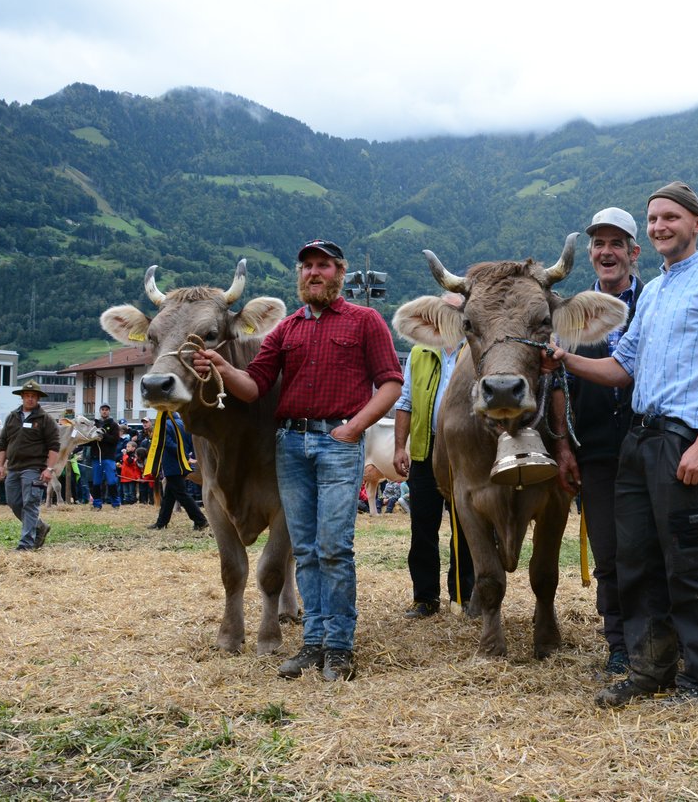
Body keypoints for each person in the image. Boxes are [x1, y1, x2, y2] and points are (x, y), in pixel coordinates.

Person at [553, 181, 698, 706]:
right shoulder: (656, 291)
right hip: (637, 443)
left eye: (671, 217)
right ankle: (650, 668)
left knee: (688, 563)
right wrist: (565, 359)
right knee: (637, 562)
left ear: (697, 224)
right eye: (654, 219)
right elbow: (623, 368)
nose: (661, 226)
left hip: (681, 440)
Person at [194, 238, 402, 682]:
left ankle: (340, 647)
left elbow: (390, 384)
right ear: (300, 275)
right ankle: (312, 644)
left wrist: (354, 427)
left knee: (334, 547)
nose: (314, 273)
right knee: (304, 550)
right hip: (290, 445)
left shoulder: (366, 321)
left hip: (338, 443)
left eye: (323, 265)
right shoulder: (286, 329)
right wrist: (222, 368)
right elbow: (253, 386)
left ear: (340, 273)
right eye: (307, 266)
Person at [564, 206, 645, 677]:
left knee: (650, 546)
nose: (607, 251)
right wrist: (562, 448)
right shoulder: (572, 314)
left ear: (634, 252)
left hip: (649, 440)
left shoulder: (655, 300)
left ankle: (652, 634)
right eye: (599, 244)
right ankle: (617, 642)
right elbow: (557, 385)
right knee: (610, 552)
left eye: (617, 243)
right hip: (594, 449)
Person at [392, 291, 475, 621]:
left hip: (466, 453)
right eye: (444, 311)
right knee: (422, 526)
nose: (450, 317)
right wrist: (401, 447)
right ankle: (425, 598)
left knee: (467, 527)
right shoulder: (419, 351)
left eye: (457, 311)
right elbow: (405, 402)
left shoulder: (478, 349)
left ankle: (463, 595)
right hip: (426, 452)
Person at [0, 381, 60, 551]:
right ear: (22, 397)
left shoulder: (45, 419)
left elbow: (54, 446)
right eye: (27, 396)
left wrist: (49, 469)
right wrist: (0, 465)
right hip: (13, 467)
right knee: (14, 502)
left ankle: (26, 543)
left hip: (34, 467)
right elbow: (2, 443)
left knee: (30, 503)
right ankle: (39, 526)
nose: (30, 399)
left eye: (33, 396)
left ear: (37, 398)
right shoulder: (12, 417)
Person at [144, 411, 208, 530]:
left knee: (181, 494)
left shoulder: (164, 426)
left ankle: (200, 520)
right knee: (169, 495)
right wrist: (187, 456)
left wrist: (183, 455)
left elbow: (168, 444)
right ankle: (161, 522)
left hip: (173, 464)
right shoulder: (183, 423)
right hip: (182, 464)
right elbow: (190, 441)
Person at [90, 403, 123, 509]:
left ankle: (116, 503)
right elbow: (89, 440)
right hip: (96, 457)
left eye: (106, 409)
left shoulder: (113, 425)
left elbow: (115, 440)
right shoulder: (95, 424)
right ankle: (97, 504)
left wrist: (103, 436)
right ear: (100, 411)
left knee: (112, 481)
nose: (104, 411)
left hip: (109, 457)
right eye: (103, 409)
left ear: (109, 411)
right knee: (96, 481)